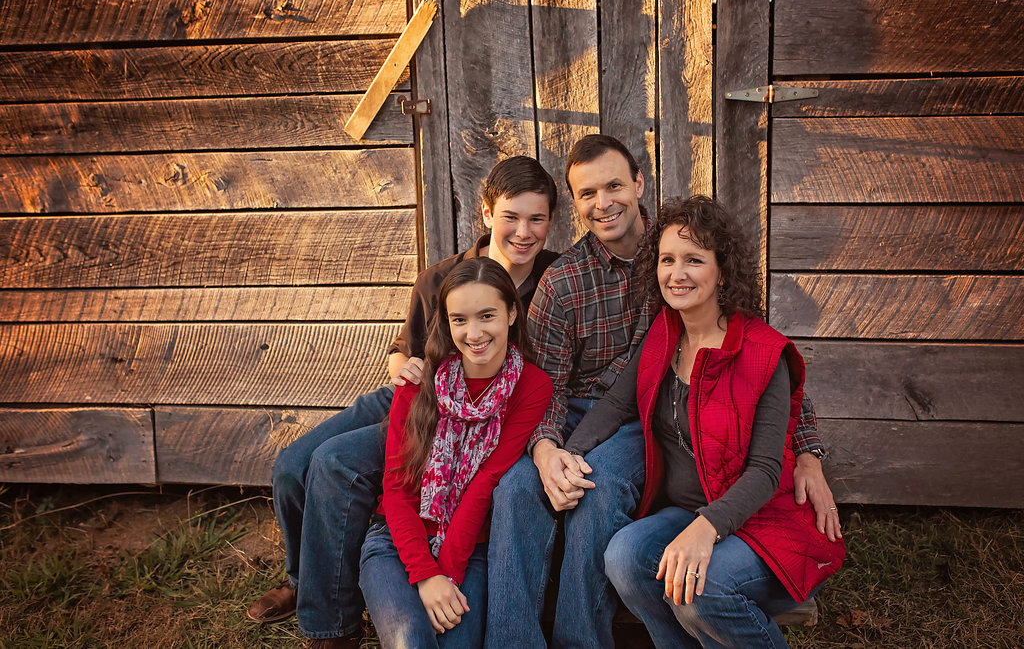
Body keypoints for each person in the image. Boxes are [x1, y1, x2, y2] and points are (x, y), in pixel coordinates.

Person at [485, 135, 839, 648]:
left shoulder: (687, 247)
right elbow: (555, 389)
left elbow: (766, 370)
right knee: (517, 488)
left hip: (659, 423)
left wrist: (808, 452)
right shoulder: (568, 286)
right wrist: (550, 451)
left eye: (613, 186)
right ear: (575, 205)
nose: (602, 203)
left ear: (639, 184)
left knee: (598, 489)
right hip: (590, 414)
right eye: (587, 194)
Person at [247, 156, 559, 649]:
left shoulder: (551, 282)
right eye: (511, 217)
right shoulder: (441, 277)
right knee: (292, 464)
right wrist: (398, 361)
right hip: (417, 397)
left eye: (536, 219)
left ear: (550, 221)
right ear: (486, 214)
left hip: (484, 410)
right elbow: (408, 347)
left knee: (335, 463)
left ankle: (332, 627)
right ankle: (306, 581)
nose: (523, 232)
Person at [564, 196, 846, 647]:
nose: (677, 274)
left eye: (694, 260)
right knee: (623, 556)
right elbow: (617, 404)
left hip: (761, 522)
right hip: (686, 512)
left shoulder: (762, 352)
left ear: (722, 270)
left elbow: (765, 471)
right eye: (667, 260)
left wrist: (705, 529)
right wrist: (568, 454)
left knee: (699, 590)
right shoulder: (665, 331)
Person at [360, 257, 553, 648]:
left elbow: (486, 482)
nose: (474, 332)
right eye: (460, 319)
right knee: (412, 640)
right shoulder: (417, 382)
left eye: (487, 316)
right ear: (446, 323)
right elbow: (397, 490)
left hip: (469, 548)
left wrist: (446, 575)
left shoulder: (532, 386)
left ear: (512, 313)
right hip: (396, 541)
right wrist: (425, 576)